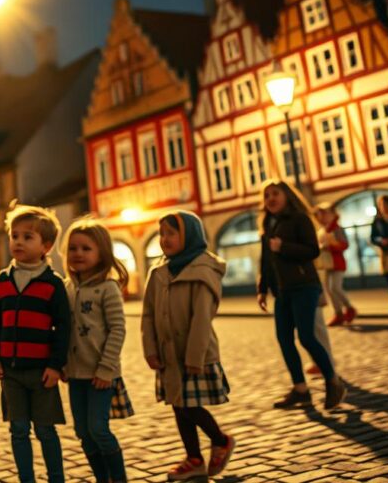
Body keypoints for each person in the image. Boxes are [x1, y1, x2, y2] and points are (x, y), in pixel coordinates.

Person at [143, 211, 236, 481]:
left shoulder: (203, 271)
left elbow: (202, 319)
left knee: (190, 406)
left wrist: (194, 357)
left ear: (189, 235)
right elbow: (148, 313)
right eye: (162, 234)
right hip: (168, 354)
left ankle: (220, 440)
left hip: (195, 354)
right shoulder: (159, 271)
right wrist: (150, 348)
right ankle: (194, 458)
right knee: (177, 405)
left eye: (171, 233)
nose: (164, 239)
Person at [0, 203, 71, 483]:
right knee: (18, 429)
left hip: (42, 371)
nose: (18, 242)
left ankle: (56, 477)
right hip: (10, 371)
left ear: (46, 245)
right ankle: (26, 478)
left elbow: (63, 327)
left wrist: (56, 366)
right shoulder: (2, 280)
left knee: (45, 430)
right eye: (15, 236)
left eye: (27, 237)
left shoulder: (53, 283)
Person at [256, 180, 346, 411]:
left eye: (275, 194)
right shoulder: (267, 224)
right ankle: (300, 390)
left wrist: (283, 247)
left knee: (306, 337)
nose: (271, 199)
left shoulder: (299, 219)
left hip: (304, 286)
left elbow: (312, 251)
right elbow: (265, 261)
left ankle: (333, 381)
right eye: (267, 196)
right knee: (284, 340)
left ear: (287, 196)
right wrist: (262, 288)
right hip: (282, 290)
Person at [61, 218, 128, 483]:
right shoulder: (68, 288)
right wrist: (64, 364)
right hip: (76, 374)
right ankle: (103, 478)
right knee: (82, 431)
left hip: (101, 374)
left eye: (86, 248)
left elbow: (117, 330)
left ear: (102, 253)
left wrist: (106, 368)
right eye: (73, 248)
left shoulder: (107, 288)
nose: (78, 254)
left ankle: (118, 478)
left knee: (98, 429)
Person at [314, 203, 357, 325]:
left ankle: (349, 308)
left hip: (337, 263)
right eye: (319, 215)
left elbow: (344, 244)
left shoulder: (337, 229)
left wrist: (331, 245)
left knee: (335, 287)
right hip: (327, 264)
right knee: (329, 289)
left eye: (324, 213)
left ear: (332, 214)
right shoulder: (322, 230)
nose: (321, 217)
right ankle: (338, 313)